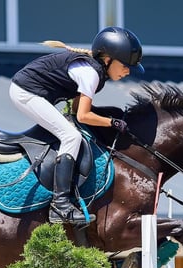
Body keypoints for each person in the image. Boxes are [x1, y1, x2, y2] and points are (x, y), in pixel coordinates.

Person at [10, 26, 144, 225]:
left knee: (73, 132)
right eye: (125, 65)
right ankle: (60, 204)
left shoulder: (94, 72)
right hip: (26, 93)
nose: (127, 71)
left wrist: (109, 118)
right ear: (107, 59)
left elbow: (75, 110)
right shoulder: (91, 74)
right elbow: (83, 115)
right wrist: (112, 122)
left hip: (32, 92)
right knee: (71, 137)